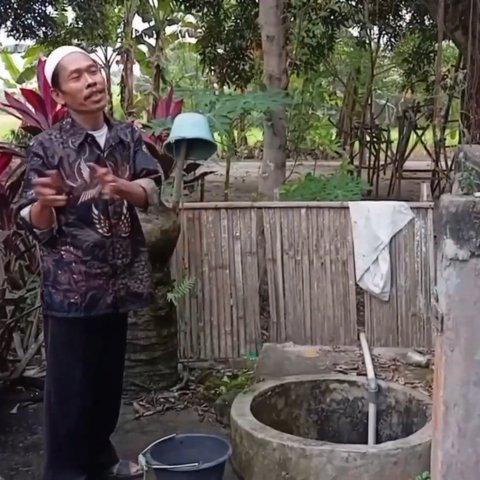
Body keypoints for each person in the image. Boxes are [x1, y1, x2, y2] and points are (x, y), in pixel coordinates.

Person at [18, 46, 161, 480]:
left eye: (93, 71)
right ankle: (64, 472)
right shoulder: (46, 147)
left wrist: (123, 187)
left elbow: (151, 190)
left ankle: (100, 461)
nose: (91, 81)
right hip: (72, 289)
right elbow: (33, 219)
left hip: (119, 283)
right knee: (69, 396)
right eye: (77, 77)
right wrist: (47, 203)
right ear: (60, 95)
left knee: (105, 387)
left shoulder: (126, 137)